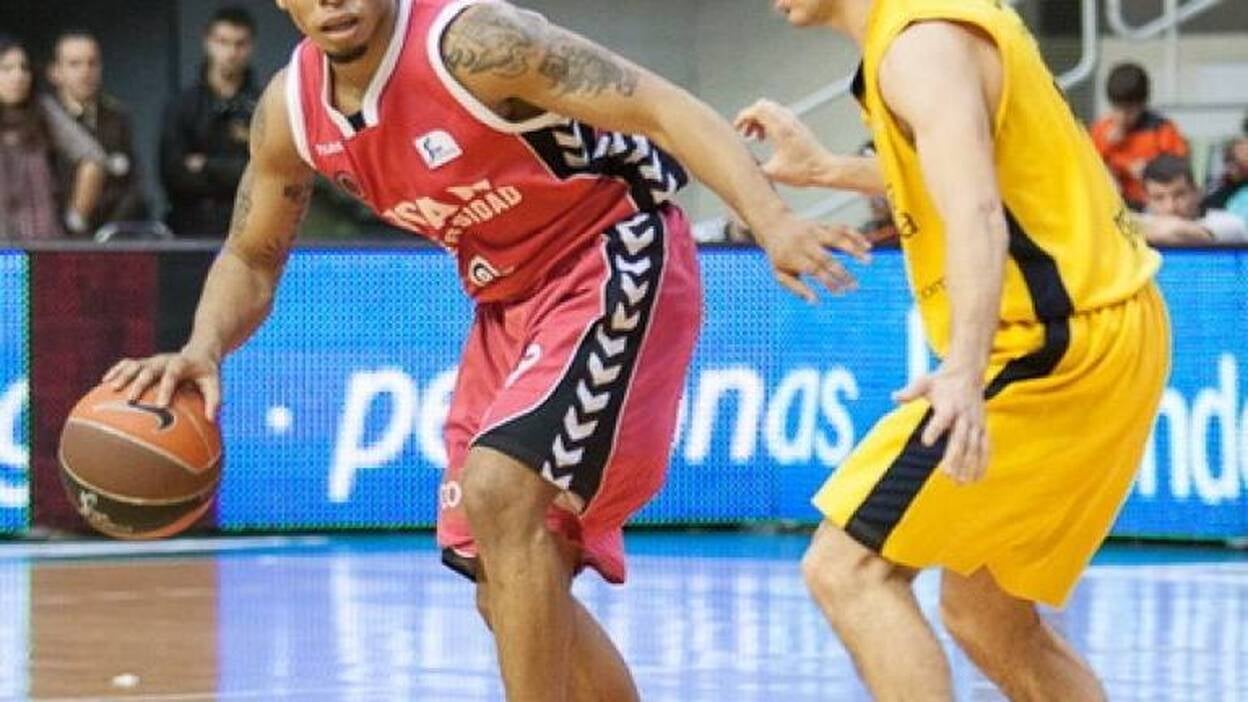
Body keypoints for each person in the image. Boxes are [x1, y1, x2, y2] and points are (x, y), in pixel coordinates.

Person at [105, 0, 869, 699]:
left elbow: (663, 107)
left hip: (611, 249)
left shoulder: (474, 43)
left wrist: (770, 220)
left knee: (502, 493)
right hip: (506, 304)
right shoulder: (290, 111)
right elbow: (252, 255)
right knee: (499, 585)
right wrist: (204, 346)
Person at [736, 0, 1169, 699]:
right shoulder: (922, 29)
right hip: (1104, 326)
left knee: (846, 570)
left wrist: (963, 371)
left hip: (1056, 345)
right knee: (986, 619)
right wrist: (827, 170)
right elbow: (970, 168)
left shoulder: (919, 44)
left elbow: (977, 210)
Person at [160, 7, 260, 237]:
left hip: (250, 229)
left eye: (240, 44)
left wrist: (206, 166)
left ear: (251, 46)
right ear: (208, 42)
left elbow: (265, 175)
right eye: (223, 42)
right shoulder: (182, 105)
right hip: (189, 230)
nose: (231, 52)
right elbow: (173, 175)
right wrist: (235, 170)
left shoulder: (266, 106)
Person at [0, 34, 104, 240]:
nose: (18, 76)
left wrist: (75, 219)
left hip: (43, 238)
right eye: (6, 69)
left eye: (24, 68)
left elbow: (93, 158)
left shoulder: (43, 111)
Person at [47, 29, 148, 231]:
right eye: (75, 64)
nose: (85, 72)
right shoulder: (43, 120)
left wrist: (110, 232)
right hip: (56, 236)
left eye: (92, 63)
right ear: (55, 72)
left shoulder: (118, 117)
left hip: (111, 235)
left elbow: (132, 184)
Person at [1089, 62, 1189, 210]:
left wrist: (1149, 169)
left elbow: (1179, 168)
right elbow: (1089, 163)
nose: (1122, 116)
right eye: (1117, 108)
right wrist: (1107, 144)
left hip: (1152, 205)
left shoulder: (1161, 129)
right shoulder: (1101, 130)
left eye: (1129, 110)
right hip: (1112, 204)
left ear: (1142, 104)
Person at [1139, 154, 1247, 245]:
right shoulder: (1141, 222)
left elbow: (1174, 232)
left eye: (1179, 195)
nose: (1170, 207)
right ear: (1147, 200)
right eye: (1158, 198)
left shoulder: (1229, 223)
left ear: (1197, 192)